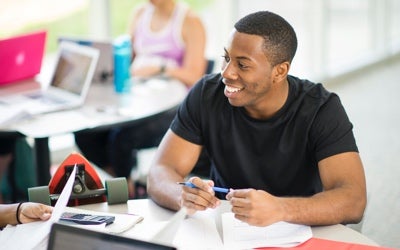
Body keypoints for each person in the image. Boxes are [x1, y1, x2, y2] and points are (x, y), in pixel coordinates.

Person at [146, 10, 367, 227]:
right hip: (226, 225)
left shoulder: (321, 108)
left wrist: (280, 209)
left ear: (280, 72)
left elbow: (353, 201)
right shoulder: (206, 94)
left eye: (242, 64)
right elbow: (160, 170)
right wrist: (181, 195)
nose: (226, 73)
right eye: (226, 58)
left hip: (302, 226)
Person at [74, 0, 207, 198]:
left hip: (175, 107)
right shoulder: (139, 14)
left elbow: (195, 75)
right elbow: (127, 58)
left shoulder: (190, 22)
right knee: (86, 134)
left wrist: (160, 68)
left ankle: (126, 190)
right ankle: (123, 182)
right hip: (141, 98)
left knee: (121, 138)